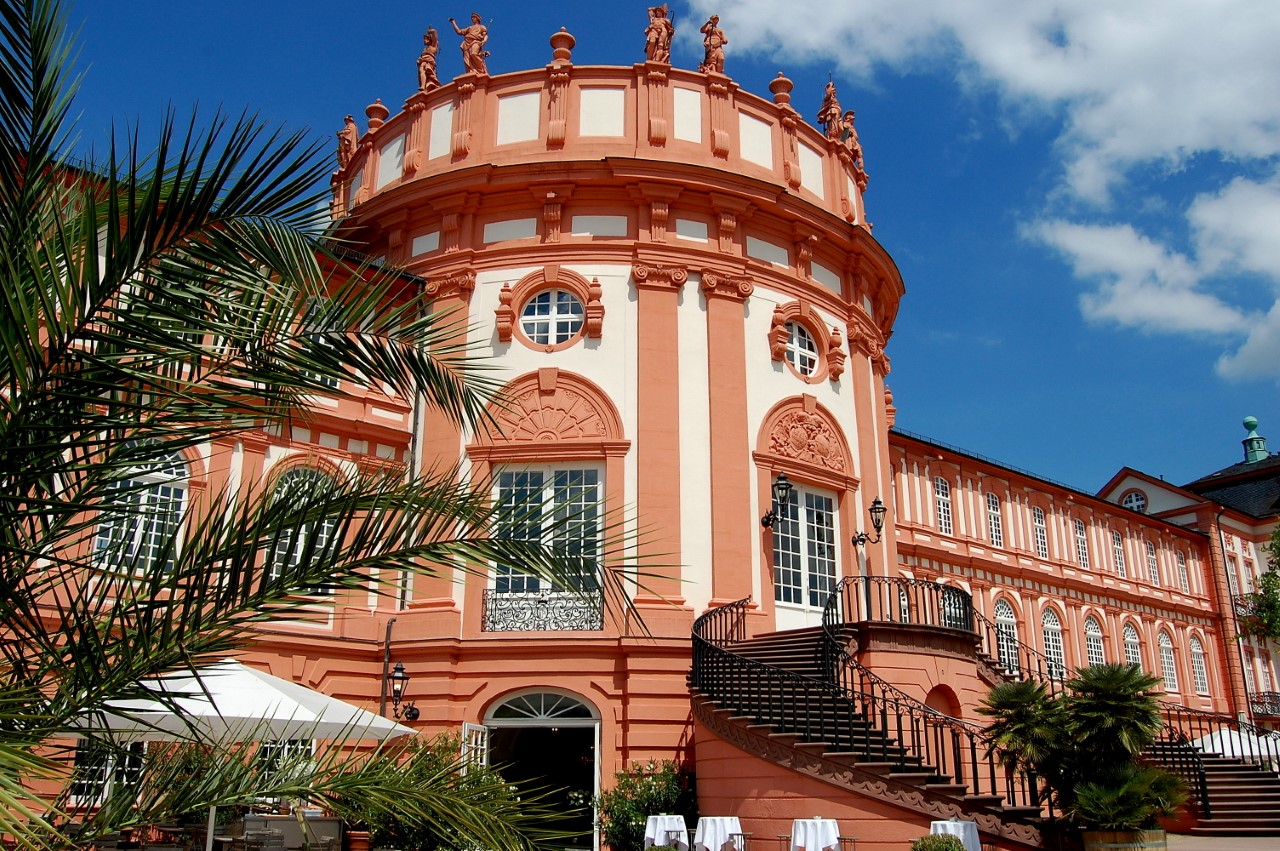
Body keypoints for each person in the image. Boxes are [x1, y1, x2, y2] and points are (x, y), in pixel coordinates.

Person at [417, 27, 440, 91]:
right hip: (423, 61)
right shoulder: (425, 49)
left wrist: (430, 31)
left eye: (425, 39)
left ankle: (424, 86)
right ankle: (423, 86)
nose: (424, 41)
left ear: (429, 39)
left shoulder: (433, 46)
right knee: (421, 71)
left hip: (429, 61)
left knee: (425, 70)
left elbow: (434, 33)